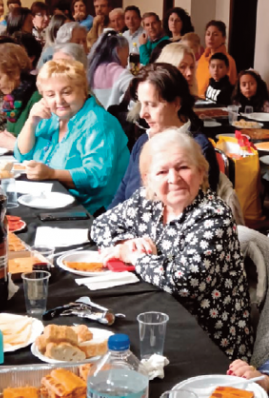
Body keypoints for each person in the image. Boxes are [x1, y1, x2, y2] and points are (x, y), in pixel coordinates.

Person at [92, 129, 253, 362]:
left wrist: (135, 257)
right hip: (153, 319)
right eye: (162, 171)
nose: (173, 178)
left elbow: (183, 281)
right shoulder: (146, 200)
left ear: (200, 171)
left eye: (183, 168)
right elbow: (99, 226)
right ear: (148, 179)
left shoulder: (214, 215)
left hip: (208, 344)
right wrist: (125, 243)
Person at [13, 59, 129, 215]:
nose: (59, 100)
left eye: (66, 92)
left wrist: (51, 174)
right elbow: (22, 156)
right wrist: (31, 122)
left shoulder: (99, 122)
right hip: (47, 203)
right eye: (50, 94)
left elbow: (98, 176)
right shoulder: (50, 117)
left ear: (83, 90)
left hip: (89, 213)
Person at [109, 63, 219, 210]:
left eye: (151, 105)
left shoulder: (198, 149)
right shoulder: (143, 141)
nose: (142, 114)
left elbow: (187, 215)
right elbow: (122, 194)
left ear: (176, 103)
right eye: (141, 104)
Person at [87, 31, 133, 107]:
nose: (127, 62)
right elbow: (139, 92)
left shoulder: (92, 70)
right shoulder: (120, 73)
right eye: (127, 56)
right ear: (118, 50)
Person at [196, 21, 237, 96]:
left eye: (215, 35)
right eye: (208, 34)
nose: (210, 38)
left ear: (224, 38)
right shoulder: (203, 57)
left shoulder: (227, 60)